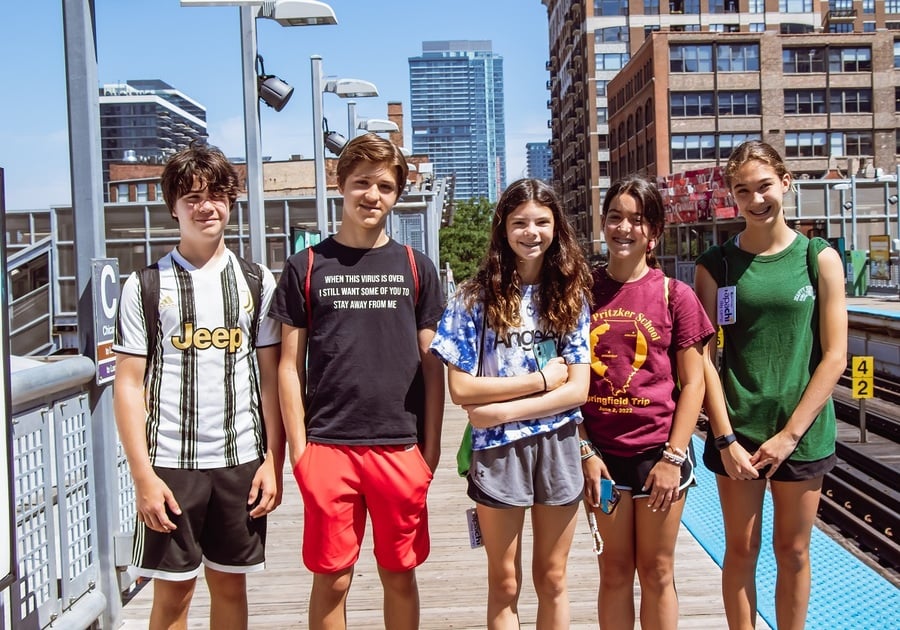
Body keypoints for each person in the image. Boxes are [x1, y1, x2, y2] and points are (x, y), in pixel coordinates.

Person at [270, 133, 445, 630]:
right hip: (328, 446)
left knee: (399, 574)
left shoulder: (416, 267)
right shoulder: (306, 266)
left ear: (397, 195)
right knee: (333, 579)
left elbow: (433, 365)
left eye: (385, 186)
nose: (372, 195)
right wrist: (301, 453)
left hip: (400, 448)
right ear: (340, 184)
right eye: (362, 182)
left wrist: (429, 450)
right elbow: (289, 365)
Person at [113, 141, 284, 630]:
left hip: (241, 461)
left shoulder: (256, 282)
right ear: (173, 207)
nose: (205, 206)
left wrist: (274, 460)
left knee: (231, 586)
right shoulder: (145, 285)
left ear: (230, 201)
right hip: (171, 465)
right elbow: (128, 386)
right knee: (174, 595)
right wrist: (143, 477)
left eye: (216, 195)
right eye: (191, 197)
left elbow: (270, 379)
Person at [695, 141, 847, 630]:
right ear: (731, 196)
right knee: (740, 549)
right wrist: (724, 439)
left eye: (764, 186)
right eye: (743, 191)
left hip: (801, 434)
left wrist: (789, 436)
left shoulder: (818, 259)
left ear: (785, 182)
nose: (756, 200)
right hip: (738, 432)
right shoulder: (716, 265)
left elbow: (834, 356)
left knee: (793, 549)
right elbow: (706, 360)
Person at [429, 178, 592, 630]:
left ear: (557, 227)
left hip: (557, 445)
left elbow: (578, 390)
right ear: (503, 228)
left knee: (553, 578)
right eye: (520, 222)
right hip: (498, 453)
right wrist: (540, 380)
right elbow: (461, 389)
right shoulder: (473, 297)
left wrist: (500, 410)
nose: (531, 232)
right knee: (504, 582)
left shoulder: (571, 294)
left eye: (542, 221)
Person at [579, 175, 714, 630]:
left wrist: (673, 458)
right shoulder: (583, 294)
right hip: (603, 459)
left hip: (660, 455)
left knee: (657, 572)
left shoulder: (676, 296)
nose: (623, 227)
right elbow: (570, 382)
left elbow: (693, 384)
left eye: (637, 220)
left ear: (653, 232)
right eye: (615, 216)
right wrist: (585, 452)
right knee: (613, 573)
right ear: (603, 223)